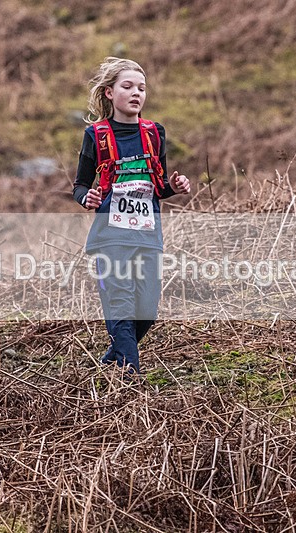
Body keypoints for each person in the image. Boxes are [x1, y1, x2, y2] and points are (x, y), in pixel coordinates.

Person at [73, 57, 191, 377]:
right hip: (110, 237)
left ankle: (113, 359)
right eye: (127, 86)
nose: (136, 93)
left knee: (148, 311)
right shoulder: (95, 135)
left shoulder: (155, 133)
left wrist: (175, 187)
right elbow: (81, 185)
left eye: (141, 88)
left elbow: (158, 186)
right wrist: (88, 197)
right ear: (110, 93)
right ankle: (129, 379)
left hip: (148, 235)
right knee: (121, 307)